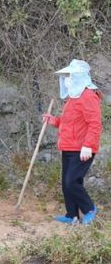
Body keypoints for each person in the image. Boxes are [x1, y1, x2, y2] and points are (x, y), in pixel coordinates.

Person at [43, 59, 102, 225]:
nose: (66, 80)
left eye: (69, 76)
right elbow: (69, 122)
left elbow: (95, 123)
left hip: (82, 148)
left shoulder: (88, 96)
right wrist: (53, 121)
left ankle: (89, 209)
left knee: (72, 181)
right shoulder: (73, 97)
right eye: (66, 76)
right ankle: (72, 215)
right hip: (68, 146)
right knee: (66, 183)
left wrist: (88, 145)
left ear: (79, 76)